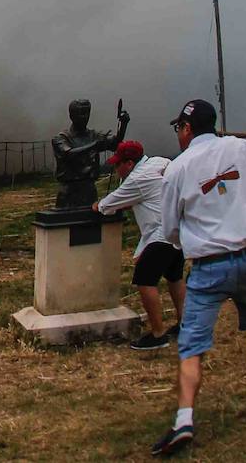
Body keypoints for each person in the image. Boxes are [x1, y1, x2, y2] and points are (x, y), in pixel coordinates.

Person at [149, 99, 246, 457]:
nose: (178, 133)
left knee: (192, 346)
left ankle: (184, 420)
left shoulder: (177, 170)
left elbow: (170, 229)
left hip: (208, 266)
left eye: (179, 127)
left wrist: (198, 237)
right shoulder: (242, 147)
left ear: (188, 129)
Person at [93, 140, 186, 350]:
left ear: (129, 163)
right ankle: (184, 325)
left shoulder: (136, 179)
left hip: (160, 235)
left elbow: (108, 205)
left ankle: (158, 333)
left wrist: (97, 205)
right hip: (178, 230)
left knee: (145, 280)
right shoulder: (160, 162)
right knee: (175, 277)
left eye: (118, 164)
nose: (116, 169)